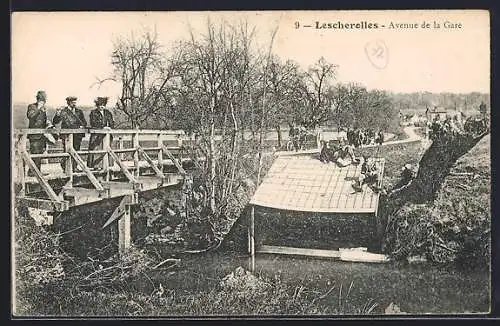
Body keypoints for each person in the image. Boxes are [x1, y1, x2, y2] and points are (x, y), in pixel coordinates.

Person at [52, 96, 87, 170]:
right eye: (72, 102)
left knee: (76, 151)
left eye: (75, 102)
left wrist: (82, 126)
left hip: (77, 135)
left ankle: (74, 167)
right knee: (67, 151)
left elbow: (84, 122)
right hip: (67, 135)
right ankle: (65, 167)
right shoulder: (64, 111)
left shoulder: (79, 111)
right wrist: (57, 115)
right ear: (69, 102)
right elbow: (55, 121)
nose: (74, 104)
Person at [26, 91, 51, 176]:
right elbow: (30, 116)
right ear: (38, 99)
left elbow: (43, 121)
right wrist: (38, 108)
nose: (43, 102)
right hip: (34, 136)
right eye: (42, 99)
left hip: (41, 135)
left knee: (39, 154)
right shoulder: (32, 106)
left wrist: (48, 124)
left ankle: (37, 172)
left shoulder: (43, 109)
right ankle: (32, 172)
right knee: (35, 154)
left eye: (44, 100)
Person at [88, 97, 115, 168]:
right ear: (97, 105)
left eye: (103, 105)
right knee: (96, 149)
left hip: (106, 135)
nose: (101, 107)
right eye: (100, 105)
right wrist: (102, 127)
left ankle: (108, 165)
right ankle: (95, 166)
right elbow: (93, 123)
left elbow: (112, 122)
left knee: (107, 148)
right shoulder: (93, 113)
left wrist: (110, 126)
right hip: (97, 135)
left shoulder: (108, 113)